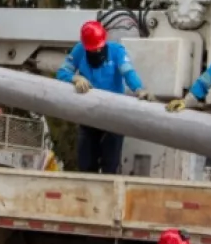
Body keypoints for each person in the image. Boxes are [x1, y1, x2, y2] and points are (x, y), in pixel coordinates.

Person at [56, 20, 154, 174]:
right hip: (88, 115)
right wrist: (75, 79)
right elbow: (62, 73)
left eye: (98, 49)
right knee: (86, 165)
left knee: (110, 165)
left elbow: (128, 72)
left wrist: (139, 89)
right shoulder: (80, 50)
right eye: (92, 50)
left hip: (113, 115)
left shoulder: (117, 52)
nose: (95, 53)